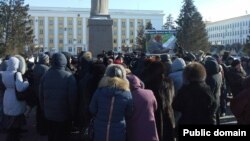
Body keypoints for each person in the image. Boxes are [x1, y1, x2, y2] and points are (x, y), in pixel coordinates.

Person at [89, 64, 133, 141]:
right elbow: (129, 113)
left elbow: (92, 109)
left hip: (99, 128)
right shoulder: (127, 94)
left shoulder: (99, 91)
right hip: (118, 129)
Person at [39, 53, 77, 141]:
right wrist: (73, 114)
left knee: (51, 135)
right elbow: (72, 99)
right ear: (64, 61)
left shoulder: (45, 75)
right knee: (63, 136)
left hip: (49, 114)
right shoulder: (69, 77)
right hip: (64, 115)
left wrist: (43, 109)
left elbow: (40, 95)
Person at [1, 56, 29, 141]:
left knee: (10, 116)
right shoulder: (17, 74)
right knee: (16, 118)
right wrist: (26, 83)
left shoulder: (3, 73)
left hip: (7, 95)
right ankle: (13, 137)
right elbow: (20, 87)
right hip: (15, 97)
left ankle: (12, 133)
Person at [126, 74, 159, 141]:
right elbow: (155, 107)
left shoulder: (127, 97)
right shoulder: (149, 92)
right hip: (150, 128)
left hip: (133, 129)